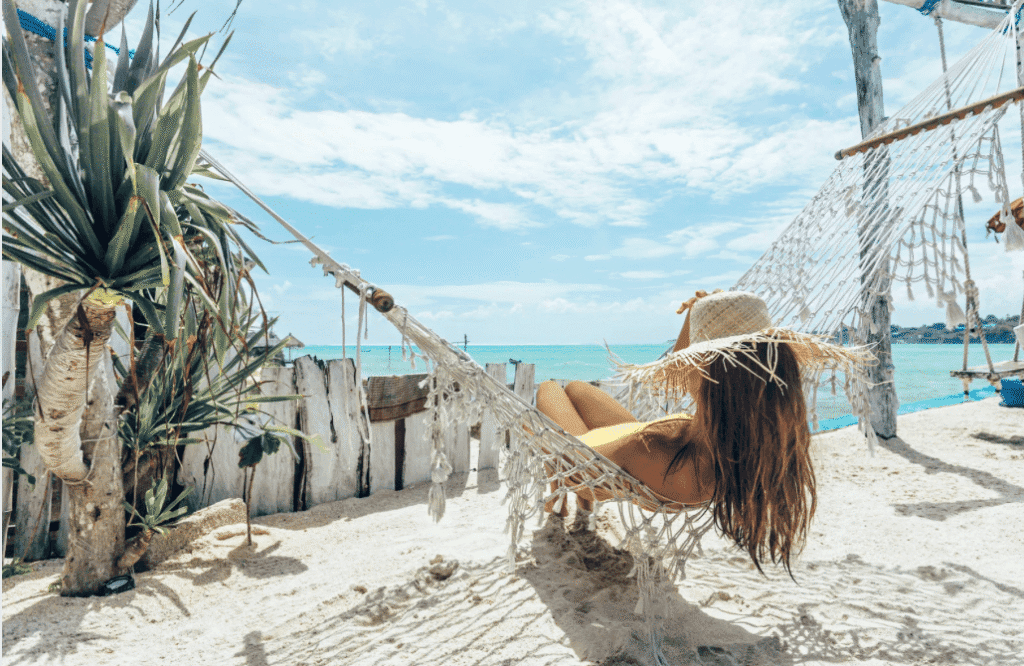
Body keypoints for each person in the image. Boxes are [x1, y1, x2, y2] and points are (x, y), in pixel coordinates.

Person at [536, 290, 871, 575]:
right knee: (580, 388)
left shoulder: (657, 442)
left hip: (583, 458)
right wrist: (695, 318)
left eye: (696, 360)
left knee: (550, 387)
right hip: (636, 451)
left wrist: (544, 447)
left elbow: (576, 466)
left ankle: (563, 501)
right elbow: (684, 368)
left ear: (704, 371)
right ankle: (574, 506)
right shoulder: (751, 440)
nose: (685, 366)